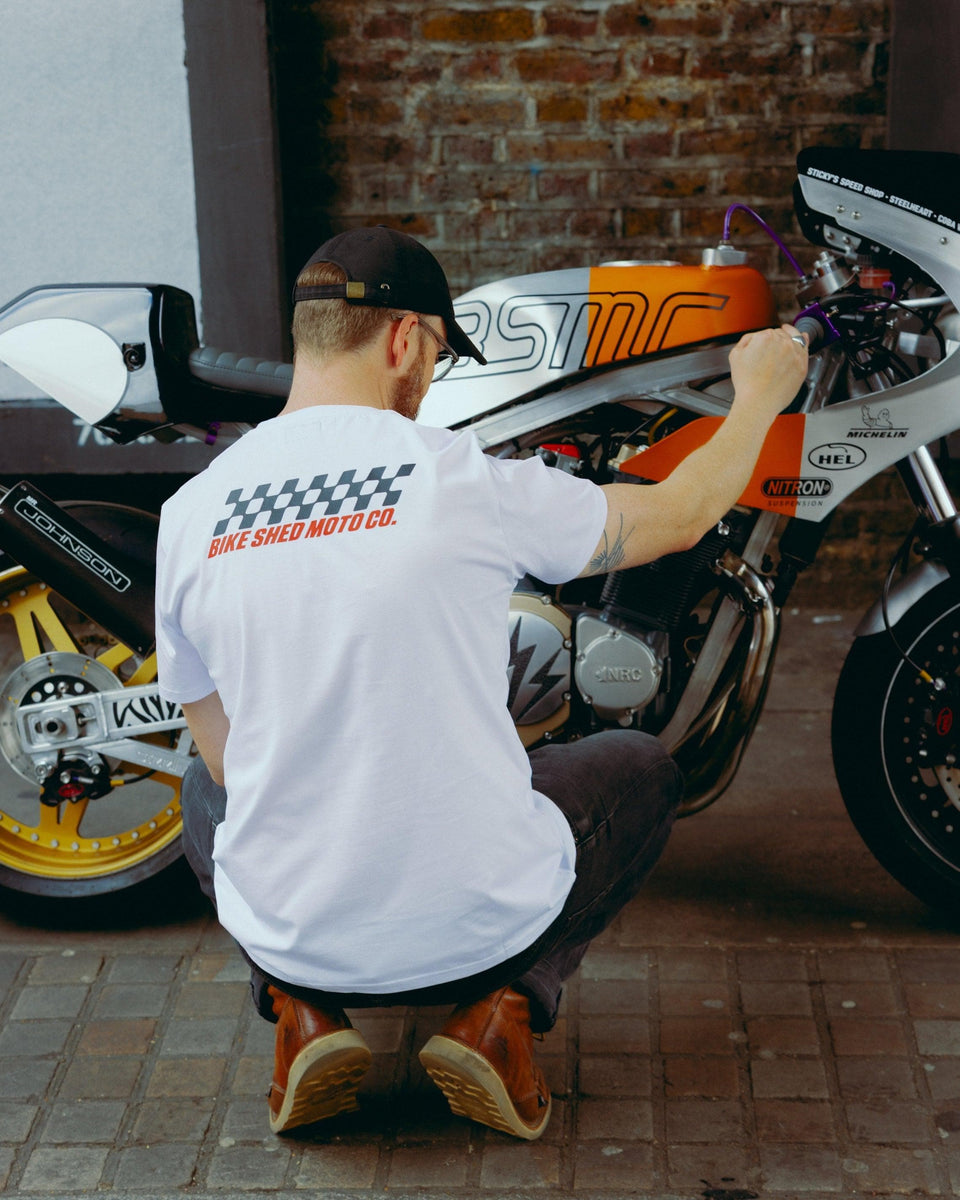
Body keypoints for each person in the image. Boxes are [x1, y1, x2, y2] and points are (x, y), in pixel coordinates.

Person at [155, 226, 808, 1140]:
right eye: (433, 355)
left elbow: (225, 762)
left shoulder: (190, 516)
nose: (428, 383)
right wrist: (759, 399)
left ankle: (300, 1017)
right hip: (477, 929)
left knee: (196, 793)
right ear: (403, 341)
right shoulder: (459, 476)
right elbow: (678, 516)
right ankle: (499, 1015)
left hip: (301, 935)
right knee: (642, 769)